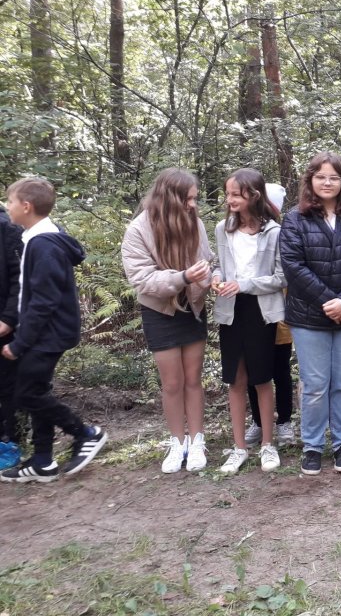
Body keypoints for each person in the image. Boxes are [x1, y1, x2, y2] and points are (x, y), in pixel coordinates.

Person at [0, 178, 107, 483]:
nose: (7, 206)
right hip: (42, 332)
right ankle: (43, 460)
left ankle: (85, 433)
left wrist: (20, 343)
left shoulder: (44, 244)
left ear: (26, 206)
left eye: (10, 201)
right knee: (36, 390)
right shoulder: (35, 238)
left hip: (48, 334)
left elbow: (44, 301)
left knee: (27, 393)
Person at [280, 152, 341, 475]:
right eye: (321, 176)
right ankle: (312, 446)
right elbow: (293, 266)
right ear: (310, 180)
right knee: (315, 385)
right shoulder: (295, 219)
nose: (327, 182)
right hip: (308, 317)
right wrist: (330, 302)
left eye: (334, 177)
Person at [122, 168, 212, 474]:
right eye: (189, 199)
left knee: (193, 379)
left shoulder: (194, 222)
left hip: (193, 308)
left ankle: (197, 440)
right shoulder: (138, 229)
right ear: (170, 198)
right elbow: (142, 279)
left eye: (195, 199)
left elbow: (207, 262)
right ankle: (177, 442)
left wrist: (211, 279)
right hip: (159, 311)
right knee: (172, 383)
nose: (193, 205)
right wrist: (183, 276)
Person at [211, 169, 286, 474]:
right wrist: (216, 277)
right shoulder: (222, 229)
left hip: (261, 311)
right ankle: (239, 447)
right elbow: (218, 264)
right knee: (236, 379)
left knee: (262, 378)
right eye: (227, 194)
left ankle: (268, 444)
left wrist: (243, 284)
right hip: (230, 310)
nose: (229, 200)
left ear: (254, 196)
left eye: (235, 194)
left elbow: (280, 278)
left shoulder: (274, 232)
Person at [244, 183, 296, 449]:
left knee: (280, 370)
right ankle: (258, 421)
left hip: (279, 315)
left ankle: (284, 421)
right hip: (250, 315)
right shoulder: (243, 233)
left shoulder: (281, 234)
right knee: (254, 372)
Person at [0, 200, 23, 470]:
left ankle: (10, 442)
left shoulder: (8, 229)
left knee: (8, 386)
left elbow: (21, 279)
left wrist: (8, 319)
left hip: (6, 327)